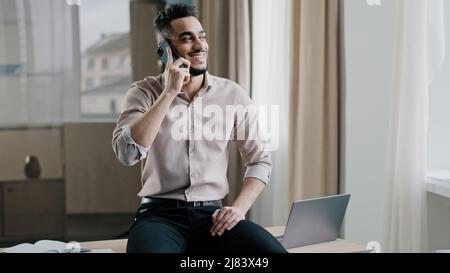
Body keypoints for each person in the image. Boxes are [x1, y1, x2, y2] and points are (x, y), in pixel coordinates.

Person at [112, 4, 287, 253]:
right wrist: (169, 92)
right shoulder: (143, 93)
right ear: (165, 50)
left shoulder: (232, 94)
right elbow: (127, 154)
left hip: (213, 215)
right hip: (159, 216)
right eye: (187, 39)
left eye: (202, 37)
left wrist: (238, 209)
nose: (200, 45)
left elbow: (260, 161)